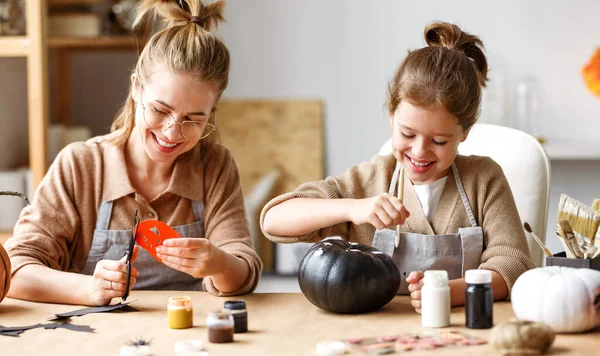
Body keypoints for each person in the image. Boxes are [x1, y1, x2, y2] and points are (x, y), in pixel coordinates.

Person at [261, 22, 534, 313]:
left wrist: (450, 291)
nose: (419, 150)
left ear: (464, 133)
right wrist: (351, 208)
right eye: (407, 134)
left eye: (439, 141)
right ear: (391, 117)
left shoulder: (483, 179)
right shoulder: (369, 181)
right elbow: (273, 221)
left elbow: (513, 263)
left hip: (462, 331)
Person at [5, 0, 262, 307]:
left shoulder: (215, 166)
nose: (171, 132)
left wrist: (220, 263)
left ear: (212, 112)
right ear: (137, 89)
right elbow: (15, 269)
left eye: (194, 119)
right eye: (160, 109)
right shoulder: (82, 165)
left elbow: (243, 269)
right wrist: (88, 289)